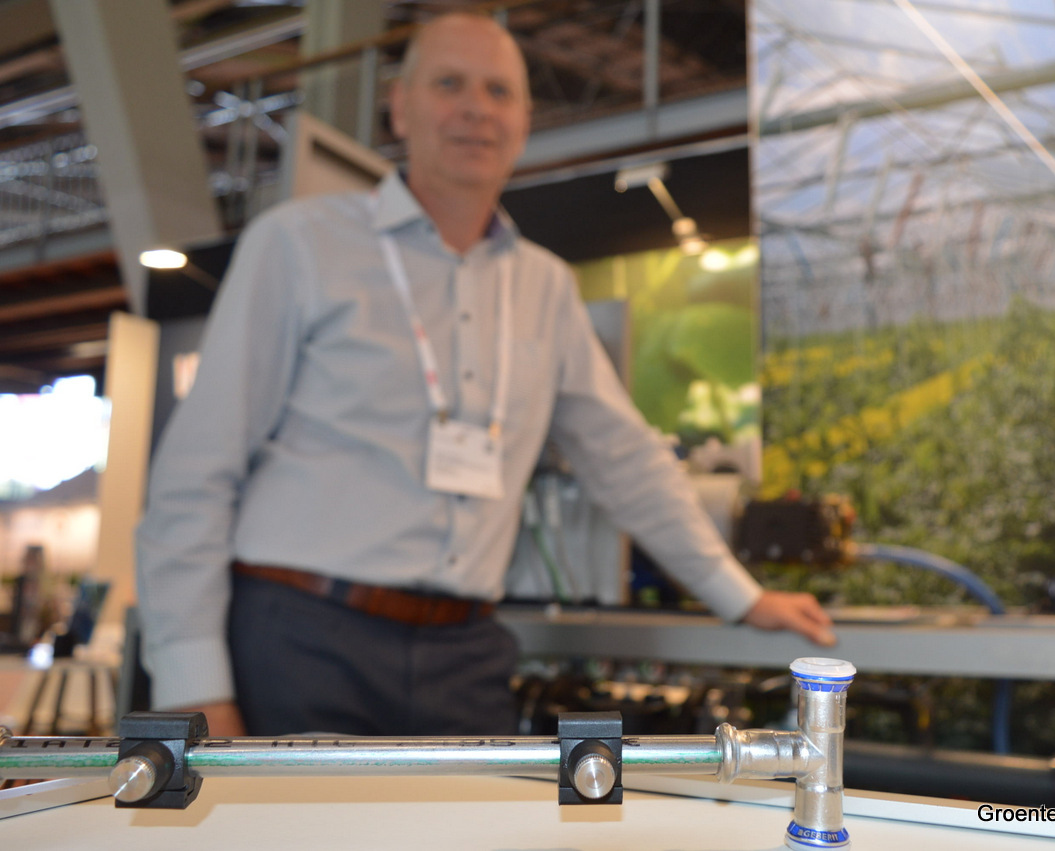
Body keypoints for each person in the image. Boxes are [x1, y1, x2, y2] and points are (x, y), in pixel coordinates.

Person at [135, 12, 834, 738]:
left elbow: (623, 457)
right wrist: (193, 682)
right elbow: (198, 469)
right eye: (449, 84)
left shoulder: (545, 286)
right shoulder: (299, 244)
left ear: (525, 121)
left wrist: (740, 595)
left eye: (499, 91)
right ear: (400, 108)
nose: (476, 108)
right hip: (301, 637)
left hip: (464, 652)